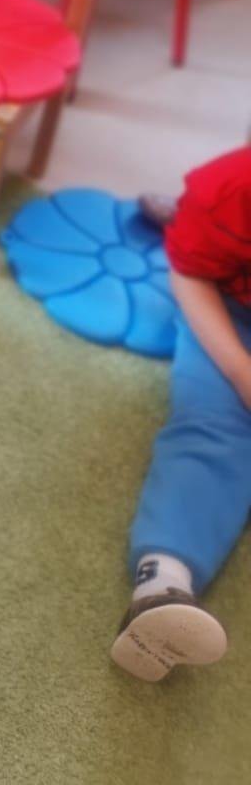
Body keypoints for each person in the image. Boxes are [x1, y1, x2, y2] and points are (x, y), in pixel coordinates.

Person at [111, 145, 251, 680]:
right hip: (228, 311)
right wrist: (239, 370)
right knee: (213, 426)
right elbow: (192, 276)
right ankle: (162, 586)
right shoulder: (231, 188)